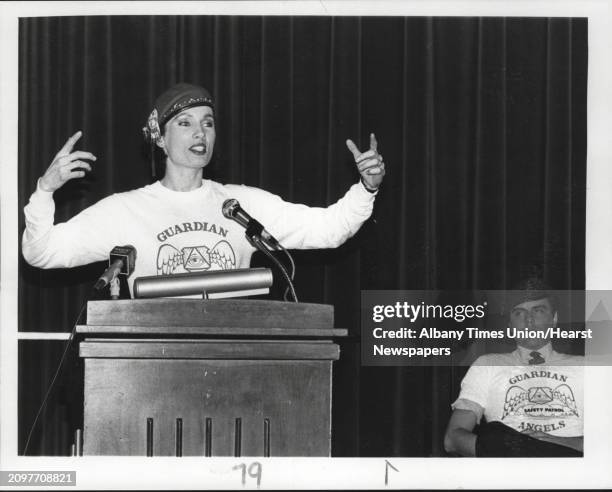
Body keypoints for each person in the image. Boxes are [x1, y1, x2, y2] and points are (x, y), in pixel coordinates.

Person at [22, 83, 386, 296]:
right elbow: (43, 253)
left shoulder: (241, 204)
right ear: (160, 140)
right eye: (185, 123)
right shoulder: (124, 210)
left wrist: (366, 188)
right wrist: (45, 191)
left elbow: (329, 229)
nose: (200, 133)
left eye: (207, 123)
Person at [444, 279, 584, 457]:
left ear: (554, 319)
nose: (529, 320)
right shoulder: (487, 365)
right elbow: (453, 439)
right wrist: (510, 453)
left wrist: (553, 445)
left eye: (539, 311)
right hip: (508, 470)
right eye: (519, 313)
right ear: (510, 324)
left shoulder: (585, 367)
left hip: (569, 470)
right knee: (495, 433)